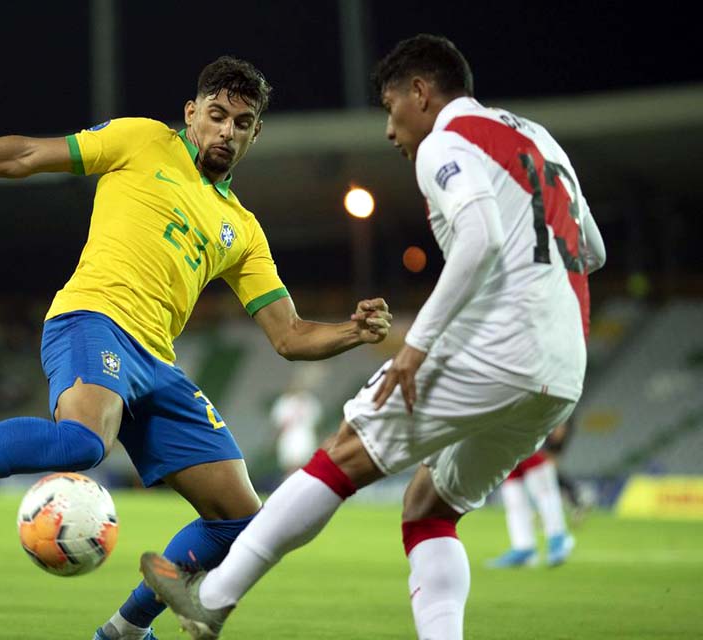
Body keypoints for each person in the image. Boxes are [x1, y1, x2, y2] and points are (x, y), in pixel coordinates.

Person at [0, 56, 392, 640]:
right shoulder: (141, 141)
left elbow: (289, 337)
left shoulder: (243, 228)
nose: (226, 131)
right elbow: (26, 155)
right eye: (216, 115)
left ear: (255, 132)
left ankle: (124, 631)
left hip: (157, 363)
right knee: (83, 443)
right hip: (92, 320)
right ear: (191, 113)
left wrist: (353, 331)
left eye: (242, 123)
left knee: (240, 519)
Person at [140, 34, 606, 640]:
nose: (390, 131)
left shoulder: (448, 138)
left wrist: (418, 344)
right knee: (428, 509)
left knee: (343, 455)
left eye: (390, 108)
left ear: (420, 92)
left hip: (496, 344)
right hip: (562, 365)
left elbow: (483, 236)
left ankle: (213, 600)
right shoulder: (538, 140)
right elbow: (590, 249)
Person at [487, 419, 576, 568]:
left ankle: (558, 539)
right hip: (508, 442)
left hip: (529, 435)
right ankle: (523, 547)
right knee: (513, 498)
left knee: (543, 490)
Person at [270, 363, 325, 479]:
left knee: (302, 466)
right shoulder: (285, 402)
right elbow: (279, 423)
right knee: (291, 465)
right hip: (289, 437)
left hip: (304, 436)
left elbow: (314, 423)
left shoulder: (310, 402)